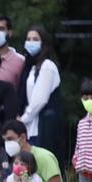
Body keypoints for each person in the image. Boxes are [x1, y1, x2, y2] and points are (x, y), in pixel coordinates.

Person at [16, 26, 66, 166]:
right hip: (31, 126)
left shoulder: (47, 66)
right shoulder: (30, 67)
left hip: (43, 125)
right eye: (28, 39)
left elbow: (40, 99)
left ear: (43, 43)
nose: (31, 42)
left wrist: (23, 119)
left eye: (35, 39)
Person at [1, 120, 65, 182]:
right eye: (5, 140)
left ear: (23, 138)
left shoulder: (43, 157)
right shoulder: (15, 159)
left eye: (10, 139)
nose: (7, 143)